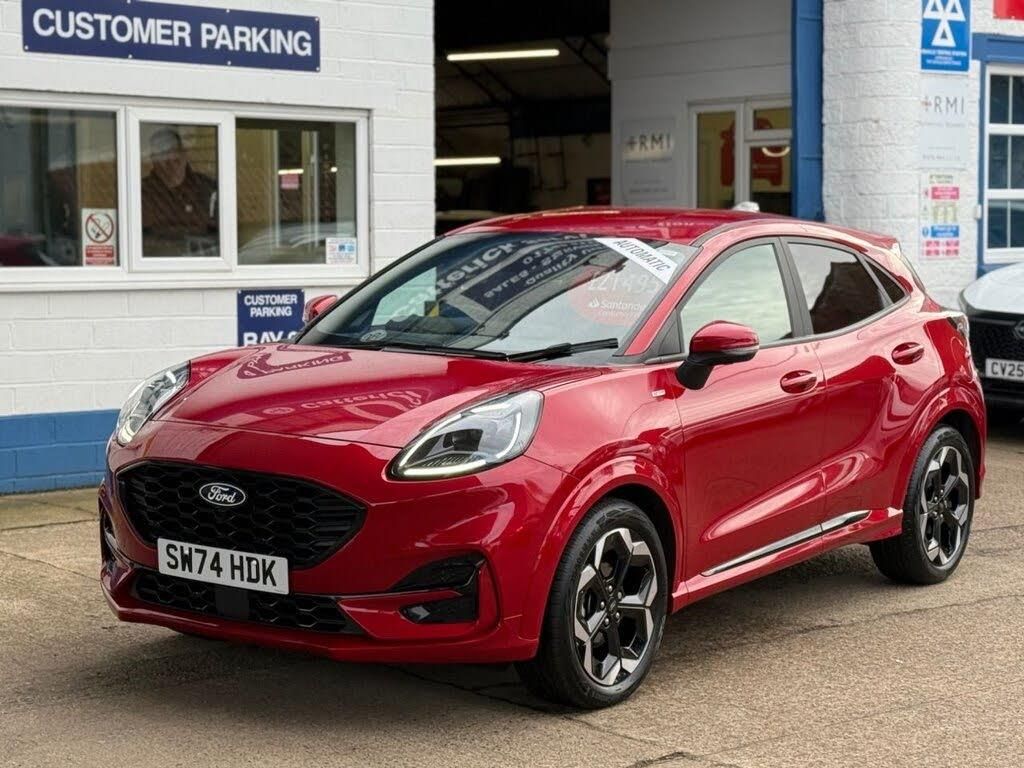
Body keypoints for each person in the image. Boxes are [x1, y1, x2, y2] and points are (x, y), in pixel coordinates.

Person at [141, 127, 218, 256]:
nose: (171, 165)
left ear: (184, 155)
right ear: (153, 160)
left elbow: (228, 235)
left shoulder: (207, 189)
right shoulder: (140, 192)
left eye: (175, 158)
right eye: (164, 159)